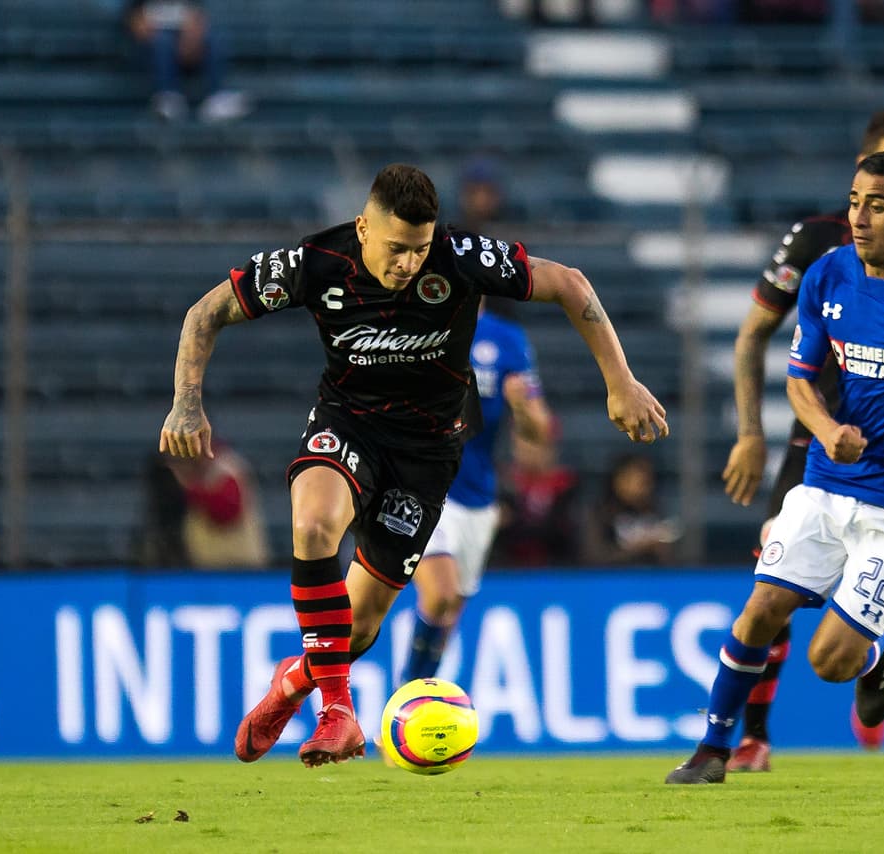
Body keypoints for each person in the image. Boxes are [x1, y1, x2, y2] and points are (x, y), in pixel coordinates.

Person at [159, 163, 668, 769]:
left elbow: (570, 283)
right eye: (396, 249)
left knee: (361, 626)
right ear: (363, 228)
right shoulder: (316, 262)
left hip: (428, 455)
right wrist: (186, 405)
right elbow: (205, 313)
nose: (407, 264)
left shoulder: (460, 257)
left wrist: (621, 382)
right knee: (314, 525)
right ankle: (338, 714)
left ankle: (293, 683)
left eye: (419, 249)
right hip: (346, 424)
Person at [666, 151, 884, 785]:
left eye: (876, 206)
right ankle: (713, 750)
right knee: (761, 606)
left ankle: (877, 655)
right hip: (828, 484)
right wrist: (828, 432)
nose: (858, 217)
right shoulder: (826, 273)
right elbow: (799, 379)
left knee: (829, 661)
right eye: (854, 201)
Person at [398, 300, 555, 684]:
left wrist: (522, 408)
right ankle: (402, 703)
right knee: (440, 593)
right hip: (418, 483)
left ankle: (409, 702)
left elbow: (540, 436)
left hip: (476, 497)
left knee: (448, 613)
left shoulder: (506, 339)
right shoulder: (410, 322)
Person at [136, 442, 270, 568]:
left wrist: (189, 489)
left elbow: (226, 512)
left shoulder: (225, 469)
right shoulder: (194, 476)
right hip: (205, 566)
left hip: (240, 567)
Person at [125, 0, 250, 122]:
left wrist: (190, 40)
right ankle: (168, 97)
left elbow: (198, 18)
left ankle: (216, 97)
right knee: (162, 43)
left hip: (186, 46)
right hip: (152, 49)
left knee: (213, 40)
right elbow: (136, 24)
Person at [491, 428, 581, 567]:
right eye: (521, 445)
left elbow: (564, 530)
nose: (527, 451)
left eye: (533, 443)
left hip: (559, 567)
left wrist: (514, 520)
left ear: (551, 448)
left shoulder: (567, 484)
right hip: (508, 568)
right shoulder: (504, 483)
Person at [582, 453, 680, 565]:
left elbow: (672, 561)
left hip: (647, 580)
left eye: (648, 481)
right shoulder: (600, 513)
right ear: (619, 480)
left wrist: (662, 549)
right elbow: (594, 557)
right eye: (640, 482)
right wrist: (639, 548)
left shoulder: (654, 511)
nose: (646, 488)